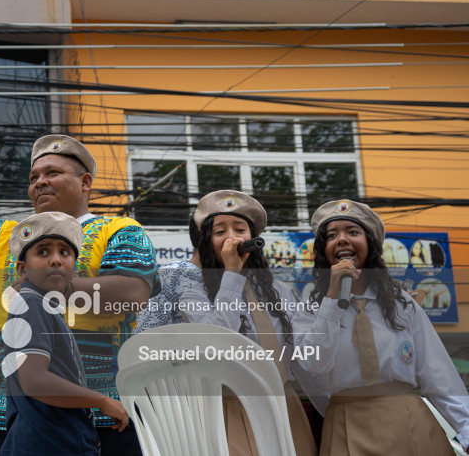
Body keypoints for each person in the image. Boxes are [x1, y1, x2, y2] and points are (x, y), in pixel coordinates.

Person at [0, 89, 159, 456]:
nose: (40, 182)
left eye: (53, 172)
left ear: (85, 183)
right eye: (34, 176)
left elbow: (131, 295)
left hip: (104, 416)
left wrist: (43, 286)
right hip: (19, 418)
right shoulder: (8, 236)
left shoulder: (121, 230)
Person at [293, 199, 469, 455]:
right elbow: (312, 366)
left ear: (370, 246)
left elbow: (438, 374)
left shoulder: (401, 303)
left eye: (353, 232)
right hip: (346, 424)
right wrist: (332, 299)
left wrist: (466, 429)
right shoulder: (309, 310)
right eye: (332, 235)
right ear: (323, 251)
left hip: (409, 423)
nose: (342, 239)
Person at [178, 190, 318, 456]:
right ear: (207, 243)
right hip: (232, 407)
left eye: (240, 229)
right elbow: (218, 343)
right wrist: (232, 275)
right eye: (220, 231)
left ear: (252, 239)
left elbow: (304, 353)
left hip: (284, 405)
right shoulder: (194, 296)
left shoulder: (280, 291)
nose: (232, 237)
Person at [0, 211, 129, 456]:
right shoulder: (31, 304)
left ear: (74, 268)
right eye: (43, 252)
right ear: (22, 268)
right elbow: (35, 381)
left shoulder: (44, 306)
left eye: (65, 253)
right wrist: (102, 400)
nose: (56, 260)